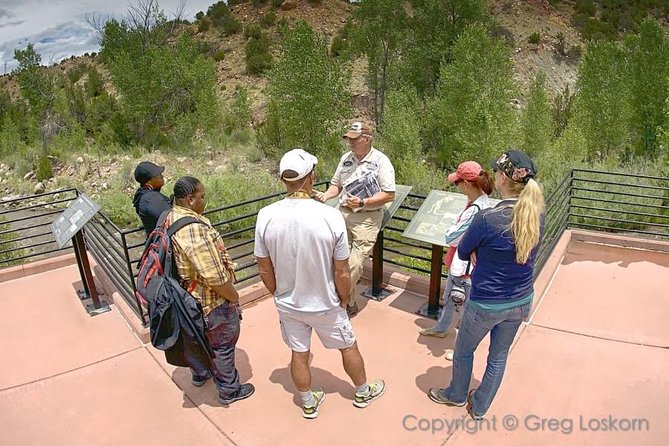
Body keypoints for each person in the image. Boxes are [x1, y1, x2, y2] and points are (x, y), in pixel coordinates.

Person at [254, 148, 386, 419]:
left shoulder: (265, 215)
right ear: (311, 177)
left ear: (284, 180)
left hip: (289, 303)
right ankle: (362, 391)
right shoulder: (330, 216)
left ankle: (307, 400)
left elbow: (263, 267)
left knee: (299, 353)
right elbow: (341, 271)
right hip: (325, 302)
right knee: (348, 346)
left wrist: (278, 293)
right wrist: (343, 297)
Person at [427, 150, 544, 420]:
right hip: (521, 300)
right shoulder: (537, 215)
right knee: (498, 356)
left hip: (486, 302)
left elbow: (464, 250)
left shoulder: (487, 218)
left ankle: (456, 395)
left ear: (503, 178)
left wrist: (481, 252)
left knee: (464, 349)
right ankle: (480, 406)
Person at [166, 176, 255, 405]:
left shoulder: (171, 216)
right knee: (222, 345)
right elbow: (213, 276)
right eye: (202, 196)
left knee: (198, 338)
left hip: (186, 299)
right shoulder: (193, 230)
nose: (205, 200)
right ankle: (229, 391)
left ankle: (199, 374)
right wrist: (234, 297)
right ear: (190, 200)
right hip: (210, 302)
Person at [316, 122, 396, 316]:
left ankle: (334, 299)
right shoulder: (346, 159)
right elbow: (336, 185)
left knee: (354, 264)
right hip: (342, 213)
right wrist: (326, 196)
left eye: (354, 138)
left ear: (366, 139)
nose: (350, 142)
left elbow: (389, 194)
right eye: (348, 138)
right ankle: (349, 302)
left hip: (367, 218)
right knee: (335, 259)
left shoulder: (381, 161)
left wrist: (362, 202)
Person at [419, 161, 494, 363]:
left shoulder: (476, 208)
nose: (457, 186)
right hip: (460, 263)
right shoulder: (479, 202)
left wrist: (453, 229)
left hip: (465, 268)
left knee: (465, 308)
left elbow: (452, 237)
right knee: (451, 298)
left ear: (467, 184)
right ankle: (442, 328)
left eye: (457, 182)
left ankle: (461, 348)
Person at [132, 161, 171, 236]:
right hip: (160, 243)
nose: (162, 176)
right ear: (149, 180)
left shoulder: (143, 194)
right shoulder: (150, 198)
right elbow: (171, 218)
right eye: (158, 175)